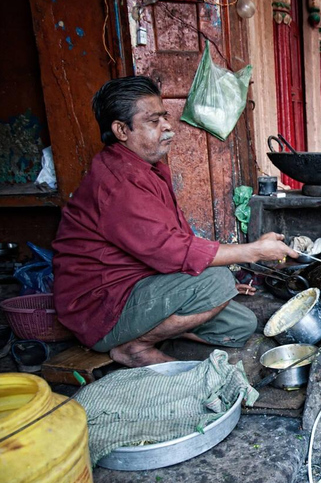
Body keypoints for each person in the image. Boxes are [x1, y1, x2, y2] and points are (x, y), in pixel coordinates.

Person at [52, 76, 298, 368]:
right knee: (217, 282)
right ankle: (135, 347)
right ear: (121, 130)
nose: (167, 126)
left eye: (164, 117)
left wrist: (210, 286)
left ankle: (164, 330)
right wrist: (253, 251)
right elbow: (171, 251)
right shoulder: (118, 182)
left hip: (140, 286)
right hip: (101, 309)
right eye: (153, 121)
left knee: (240, 324)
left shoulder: (146, 169)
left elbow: (177, 239)